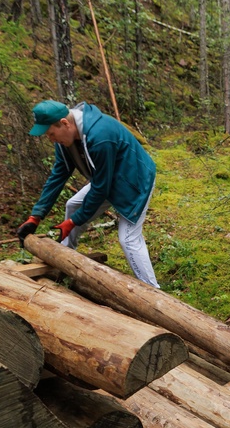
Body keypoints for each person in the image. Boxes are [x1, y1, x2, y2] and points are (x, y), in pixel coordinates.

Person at [17, 99, 160, 288]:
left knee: (128, 238)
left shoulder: (100, 136)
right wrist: (36, 216)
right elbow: (58, 175)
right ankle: (65, 260)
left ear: (65, 123)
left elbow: (101, 188)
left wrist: (74, 221)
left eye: (51, 134)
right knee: (73, 205)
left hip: (134, 180)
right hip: (108, 177)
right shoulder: (64, 140)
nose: (51, 139)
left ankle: (152, 291)